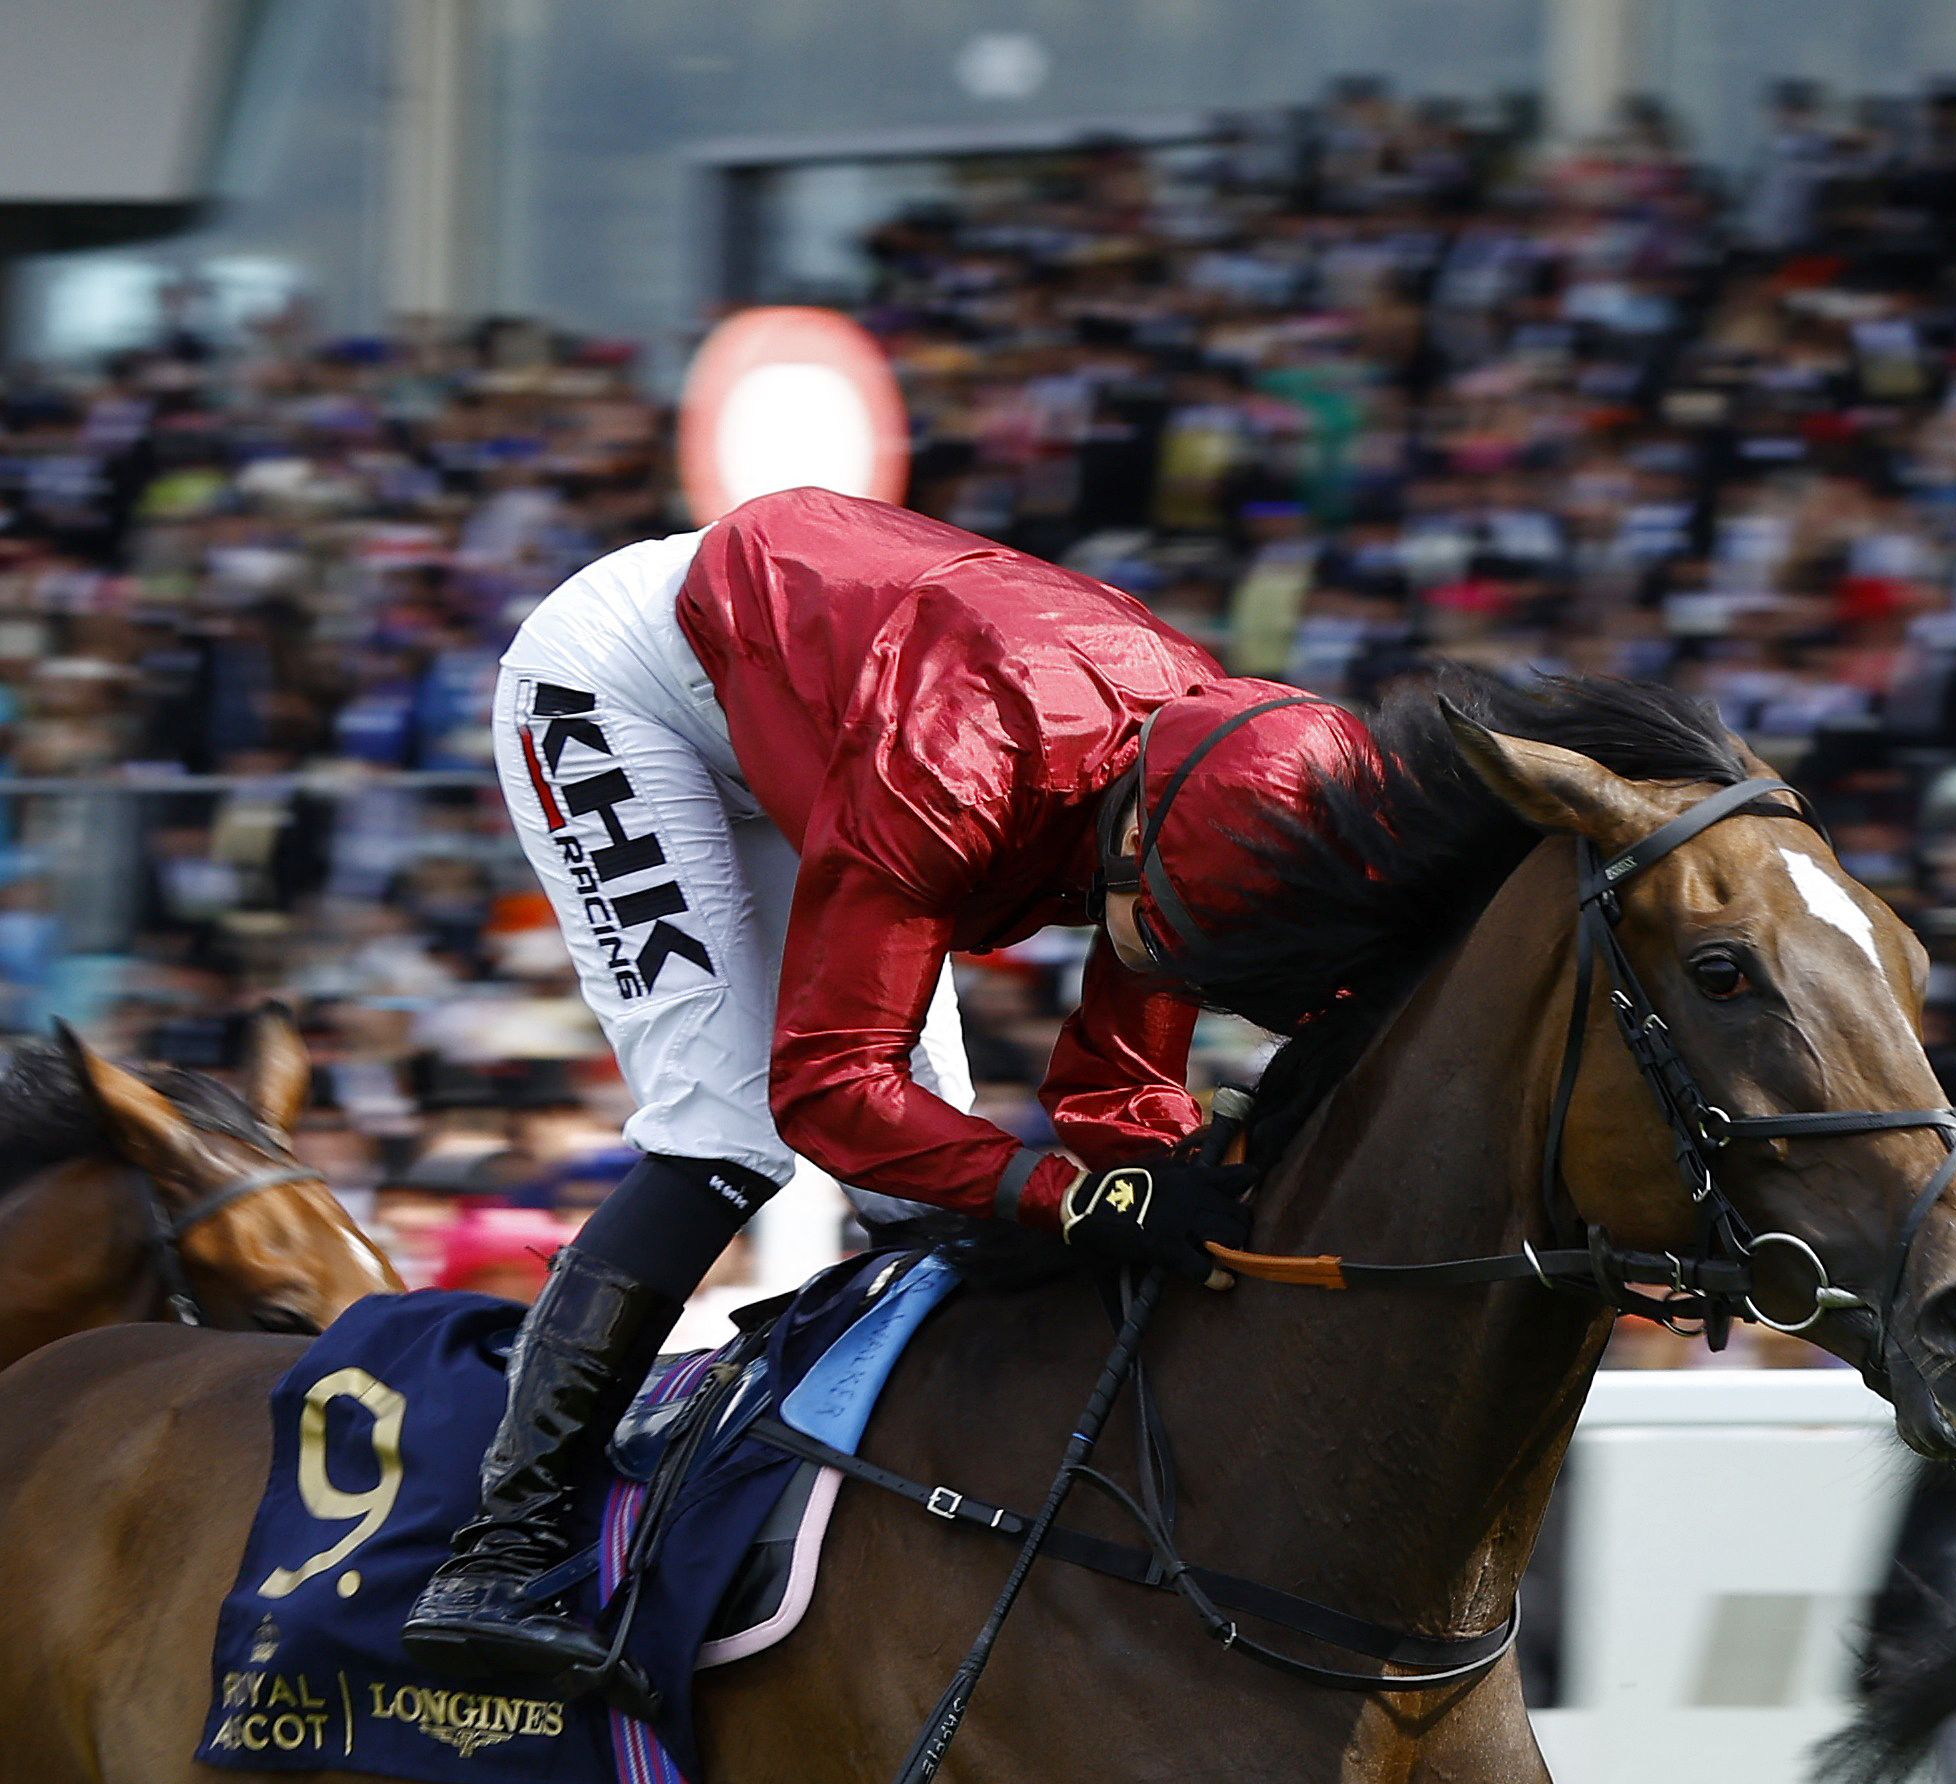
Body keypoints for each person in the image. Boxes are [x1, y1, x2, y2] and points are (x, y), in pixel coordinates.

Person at [397, 486, 1395, 1696]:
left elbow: (1119, 1083)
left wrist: (1152, 1180)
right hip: (636, 683)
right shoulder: (959, 780)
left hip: (840, 704)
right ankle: (501, 1550)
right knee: (729, 1125)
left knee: (929, 1185)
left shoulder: (1201, 768)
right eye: (1167, 938)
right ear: (1135, 844)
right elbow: (828, 1091)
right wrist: (1067, 1199)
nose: (1164, 971)